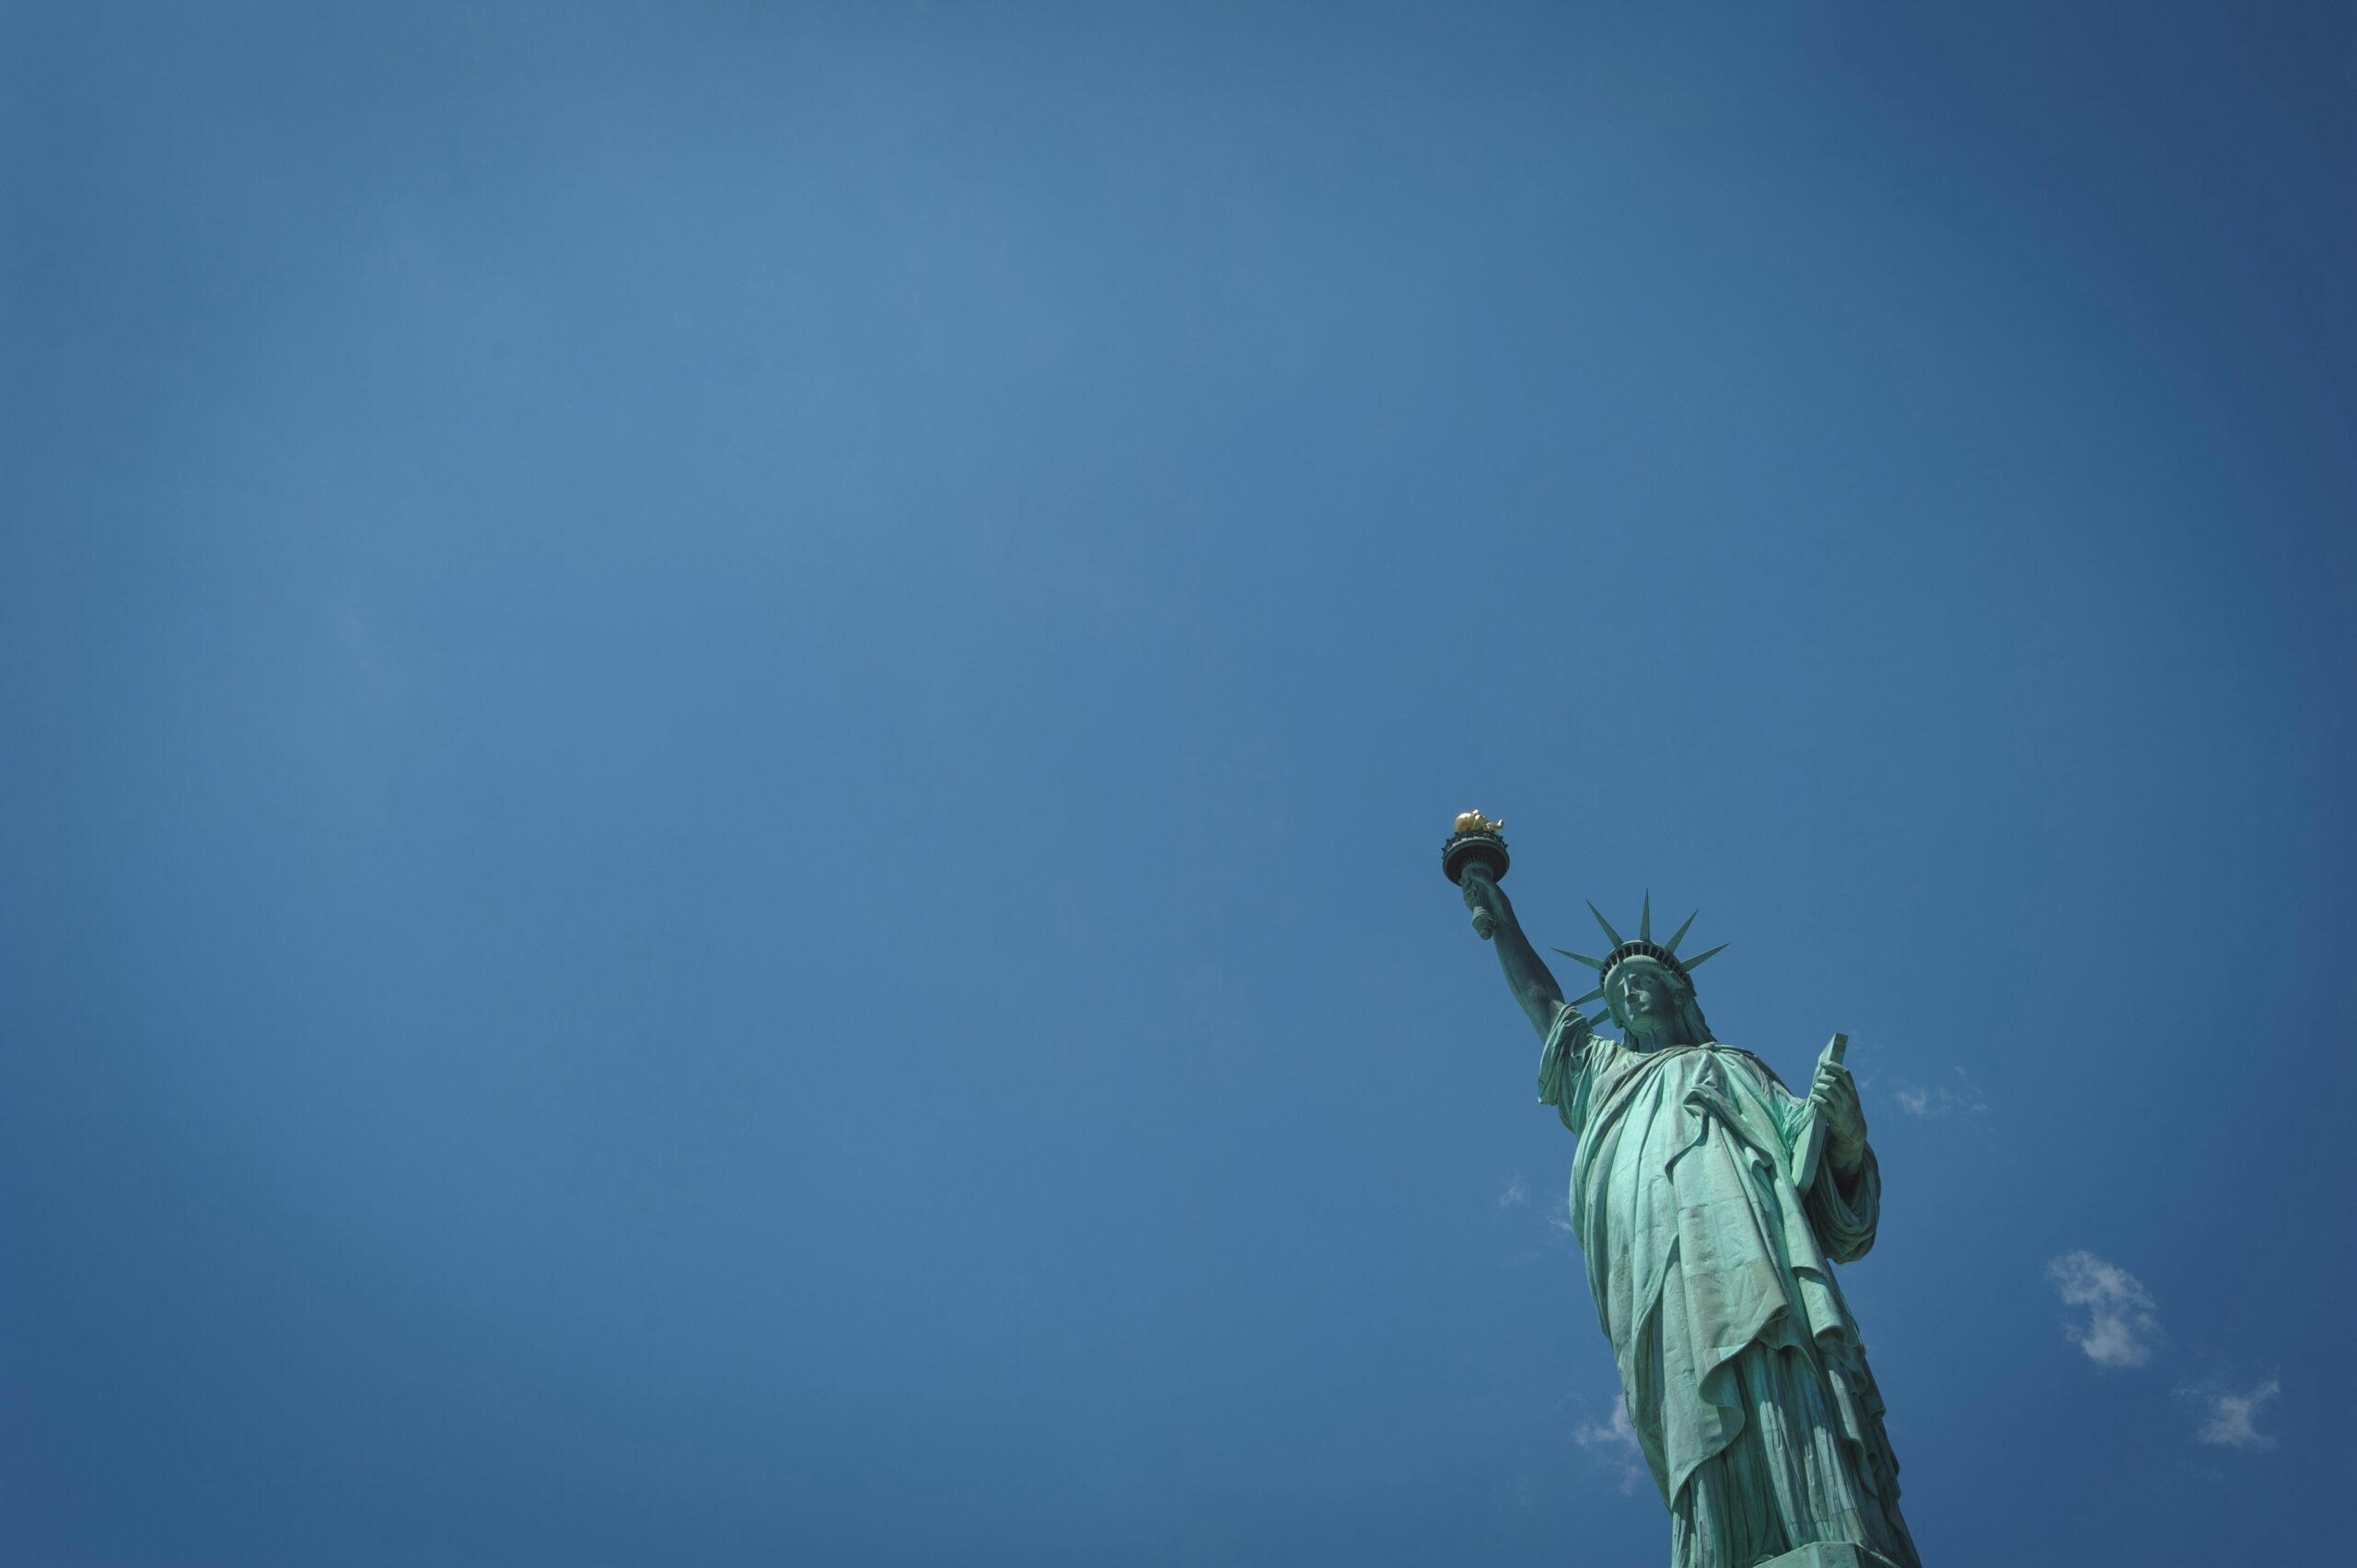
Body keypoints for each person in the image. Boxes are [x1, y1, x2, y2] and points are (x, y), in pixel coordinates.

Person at [1459, 869, 1922, 1568]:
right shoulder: (1605, 1074)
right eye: (1616, 992)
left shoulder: (1735, 1066)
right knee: (1685, 1388)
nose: (1627, 993)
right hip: (1650, 1259)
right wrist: (1505, 923)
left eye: (1641, 980)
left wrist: (1848, 1136)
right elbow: (1543, 1004)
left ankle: (1819, 1520)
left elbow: (1836, 1206)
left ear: (1680, 994)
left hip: (1751, 1244)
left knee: (1777, 1356)